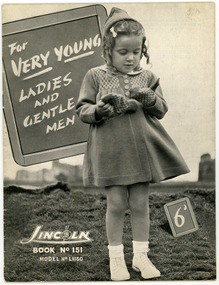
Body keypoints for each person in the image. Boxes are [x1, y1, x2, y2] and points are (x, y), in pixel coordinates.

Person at [76, 7, 190, 281]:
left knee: (140, 203)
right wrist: (100, 110)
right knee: (116, 203)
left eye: (136, 52)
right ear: (108, 51)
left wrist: (147, 97)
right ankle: (116, 259)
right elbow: (82, 109)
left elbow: (161, 109)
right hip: (111, 150)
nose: (130, 58)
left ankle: (140, 257)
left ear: (143, 50)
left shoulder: (148, 77)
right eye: (123, 52)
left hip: (140, 150)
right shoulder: (94, 75)